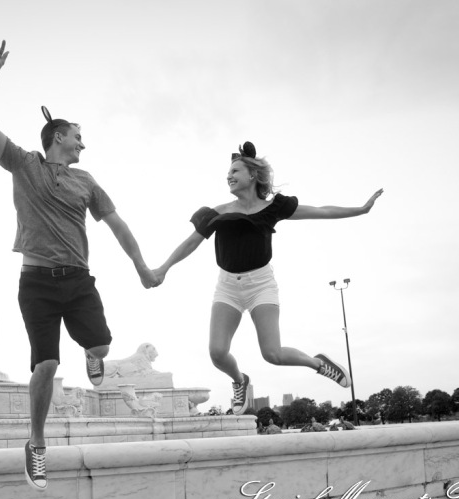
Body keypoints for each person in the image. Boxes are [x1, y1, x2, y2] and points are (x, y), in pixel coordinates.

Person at [0, 41, 159, 491]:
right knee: (45, 365)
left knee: (100, 347)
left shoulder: (87, 181)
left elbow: (117, 224)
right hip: (36, 282)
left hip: (78, 281)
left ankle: (91, 352)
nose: (84, 142)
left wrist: (141, 266)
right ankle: (36, 444)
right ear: (58, 136)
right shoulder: (24, 165)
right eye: (78, 134)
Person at [153, 141, 382, 415]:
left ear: (252, 175)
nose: (229, 176)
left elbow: (320, 211)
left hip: (261, 285)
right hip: (227, 287)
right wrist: (164, 267)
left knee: (272, 354)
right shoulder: (218, 213)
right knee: (216, 352)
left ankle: (318, 363)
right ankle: (239, 380)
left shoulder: (273, 209)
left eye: (235, 171)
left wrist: (360, 209)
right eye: (228, 172)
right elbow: (190, 243)